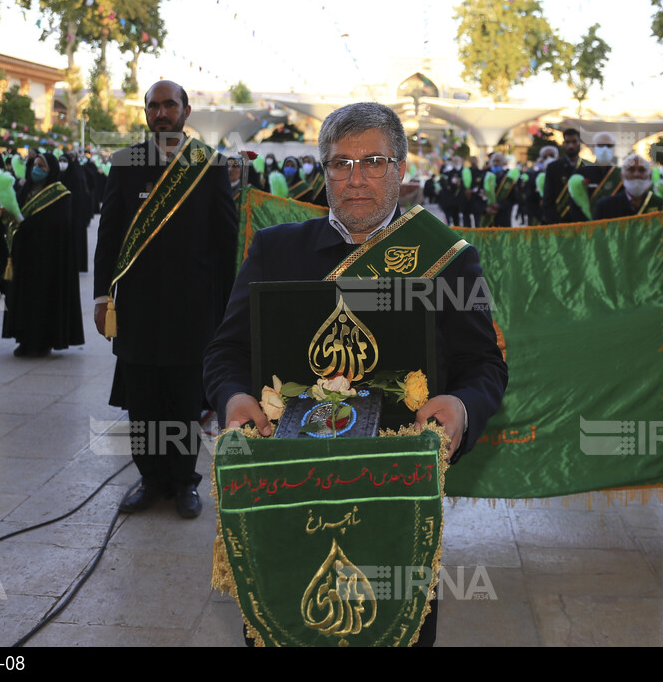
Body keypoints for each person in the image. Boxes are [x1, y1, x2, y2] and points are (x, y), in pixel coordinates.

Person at [203, 101, 507, 648]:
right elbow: (226, 352)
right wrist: (232, 400)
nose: (355, 178)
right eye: (339, 164)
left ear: (401, 169)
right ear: (323, 173)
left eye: (372, 161)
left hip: (398, 496)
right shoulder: (276, 251)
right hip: (285, 488)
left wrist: (461, 408)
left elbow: (483, 366)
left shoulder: (448, 260)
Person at [93, 80, 237, 519]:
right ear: (145, 113)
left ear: (186, 110)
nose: (161, 113)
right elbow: (109, 235)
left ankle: (182, 481)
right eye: (153, 106)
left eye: (169, 105)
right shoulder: (125, 163)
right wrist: (103, 295)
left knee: (183, 400)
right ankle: (151, 479)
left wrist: (227, 310)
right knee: (144, 401)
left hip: (192, 310)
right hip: (137, 307)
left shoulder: (208, 166)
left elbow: (225, 242)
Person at [1, 151, 84, 358]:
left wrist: (26, 224)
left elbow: (58, 224)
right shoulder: (25, 189)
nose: (37, 169)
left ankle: (42, 341)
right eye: (35, 165)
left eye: (42, 166)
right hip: (24, 256)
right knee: (23, 299)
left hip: (47, 258)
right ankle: (24, 338)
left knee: (43, 301)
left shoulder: (60, 194)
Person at [594, 153, 658, 220]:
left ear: (650, 176)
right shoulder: (604, 206)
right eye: (631, 169)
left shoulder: (660, 205)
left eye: (641, 170)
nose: (636, 174)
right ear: (622, 176)